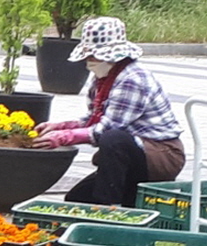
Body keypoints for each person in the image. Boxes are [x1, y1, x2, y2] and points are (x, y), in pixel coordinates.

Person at [36, 16, 187, 207]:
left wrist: (65, 137)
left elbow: (105, 130)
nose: (89, 60)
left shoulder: (132, 79)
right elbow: (94, 120)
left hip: (161, 154)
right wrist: (61, 126)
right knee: (77, 198)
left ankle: (108, 210)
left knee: (113, 139)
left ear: (113, 56)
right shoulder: (103, 79)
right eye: (88, 55)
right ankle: (125, 203)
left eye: (94, 55)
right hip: (132, 151)